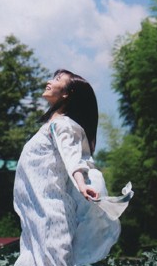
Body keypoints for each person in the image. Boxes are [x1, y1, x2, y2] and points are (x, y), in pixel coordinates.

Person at [14, 69, 133, 266]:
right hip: (37, 208)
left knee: (53, 256)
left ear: (66, 94)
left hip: (51, 209)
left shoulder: (64, 125)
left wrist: (81, 184)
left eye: (57, 79)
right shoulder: (51, 125)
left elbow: (73, 157)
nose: (49, 82)